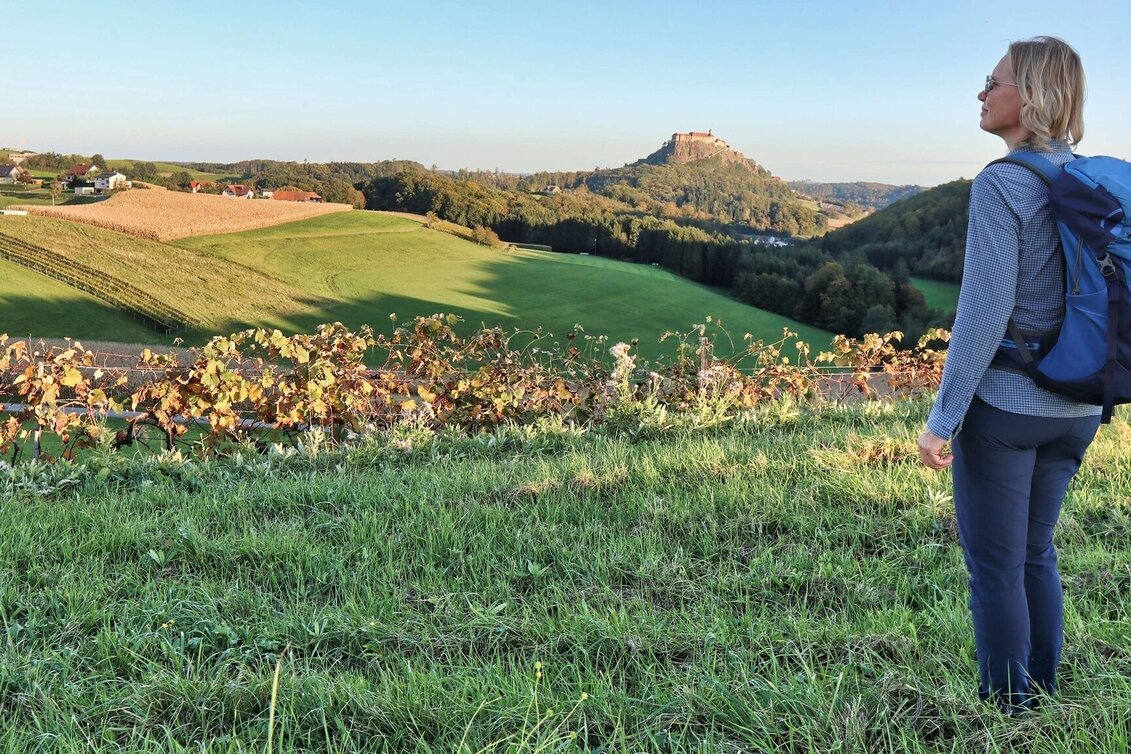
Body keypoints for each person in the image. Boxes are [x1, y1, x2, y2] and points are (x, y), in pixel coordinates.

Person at [917, 36, 1101, 712]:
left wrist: (942, 419)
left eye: (990, 82)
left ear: (1028, 99)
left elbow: (981, 315)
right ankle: (1040, 696)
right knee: (1036, 554)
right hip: (1079, 409)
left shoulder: (1001, 184)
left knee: (994, 568)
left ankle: (1006, 712)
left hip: (1005, 409)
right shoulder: (1092, 180)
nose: (979, 93)